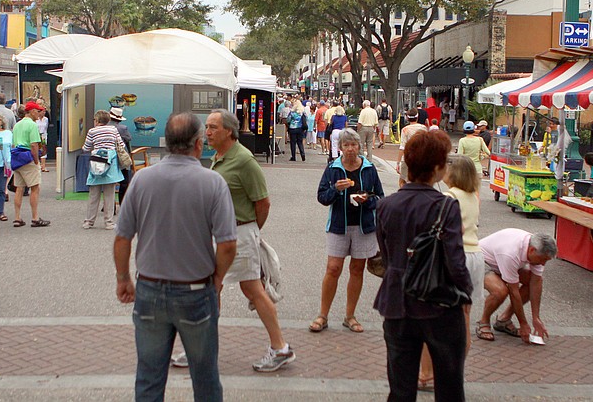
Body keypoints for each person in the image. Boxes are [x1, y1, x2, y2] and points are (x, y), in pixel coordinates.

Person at [114, 112, 237, 401]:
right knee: (205, 377)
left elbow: (122, 237)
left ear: (167, 143)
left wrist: (123, 278)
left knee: (148, 378)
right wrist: (217, 279)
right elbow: (228, 243)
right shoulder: (212, 183)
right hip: (195, 290)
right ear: (197, 144)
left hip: (150, 289)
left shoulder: (142, 179)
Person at [374, 130, 472, 402]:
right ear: (438, 168)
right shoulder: (445, 207)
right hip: (438, 301)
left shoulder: (386, 205)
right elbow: (455, 260)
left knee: (401, 388)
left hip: (396, 300)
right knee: (450, 386)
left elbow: (386, 253)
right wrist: (466, 292)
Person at [200, 109, 296, 372]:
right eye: (207, 127)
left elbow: (263, 202)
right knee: (214, 288)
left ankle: (280, 347)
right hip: (224, 234)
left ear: (228, 131)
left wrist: (251, 230)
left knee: (251, 289)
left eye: (212, 127)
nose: (207, 132)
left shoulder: (244, 160)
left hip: (239, 234)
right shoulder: (219, 157)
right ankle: (204, 349)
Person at [418, 154, 483, 391]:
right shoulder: (474, 196)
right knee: (463, 319)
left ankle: (426, 375)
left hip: (455, 257)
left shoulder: (448, 197)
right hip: (475, 255)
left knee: (433, 317)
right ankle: (455, 373)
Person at [313, 128, 385, 335]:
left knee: (357, 269)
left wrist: (367, 199)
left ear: (359, 147)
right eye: (346, 145)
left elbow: (380, 197)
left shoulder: (369, 169)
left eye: (354, 145)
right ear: (341, 148)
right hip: (338, 225)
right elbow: (322, 197)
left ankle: (350, 316)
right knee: (333, 268)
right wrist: (336, 189)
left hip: (364, 227)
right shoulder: (333, 169)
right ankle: (322, 315)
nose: (351, 149)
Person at [476, 228, 556, 344]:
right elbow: (513, 292)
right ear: (532, 250)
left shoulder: (537, 250)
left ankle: (504, 320)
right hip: (482, 262)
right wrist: (523, 324)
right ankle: (483, 321)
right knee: (500, 291)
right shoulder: (511, 252)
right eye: (543, 259)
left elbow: (536, 283)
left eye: (546, 261)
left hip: (500, 263)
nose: (543, 264)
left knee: (533, 281)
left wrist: (536, 318)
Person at [82, 110, 125, 230]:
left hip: (96, 162)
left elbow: (86, 147)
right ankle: (109, 222)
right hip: (110, 162)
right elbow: (120, 145)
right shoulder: (113, 130)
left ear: (97, 120)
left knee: (93, 194)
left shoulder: (92, 131)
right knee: (109, 195)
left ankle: (89, 222)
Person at [11, 101, 49, 227]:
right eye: (37, 111)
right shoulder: (32, 125)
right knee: (34, 187)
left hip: (17, 157)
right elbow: (34, 144)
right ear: (32, 111)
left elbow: (13, 144)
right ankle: (35, 217)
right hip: (28, 157)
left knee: (19, 188)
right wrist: (36, 160)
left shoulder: (17, 125)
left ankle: (17, 217)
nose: (39, 114)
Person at [397, 109, 428, 188]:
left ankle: (405, 196)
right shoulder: (423, 128)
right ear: (417, 117)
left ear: (407, 118)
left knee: (403, 180)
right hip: (420, 158)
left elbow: (402, 147)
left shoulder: (405, 130)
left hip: (407, 158)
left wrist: (398, 162)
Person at [109, 107, 132, 204]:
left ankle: (109, 205)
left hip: (108, 158)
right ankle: (122, 202)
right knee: (125, 181)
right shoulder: (123, 128)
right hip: (120, 159)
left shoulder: (103, 127)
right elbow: (128, 139)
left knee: (109, 183)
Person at [36, 106, 49, 172]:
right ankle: (38, 165)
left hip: (43, 136)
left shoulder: (46, 119)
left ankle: (43, 166)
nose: (44, 113)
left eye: (44, 111)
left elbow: (46, 127)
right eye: (42, 111)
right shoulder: (36, 119)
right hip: (37, 135)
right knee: (37, 150)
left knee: (43, 150)